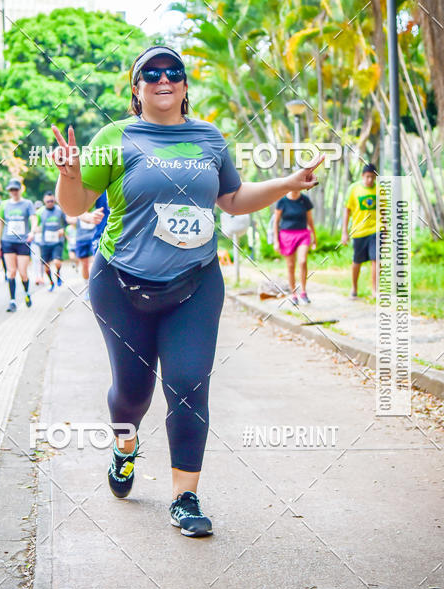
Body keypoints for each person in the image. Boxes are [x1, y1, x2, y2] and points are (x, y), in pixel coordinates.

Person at [52, 44, 323, 536]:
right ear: (135, 88)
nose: (163, 79)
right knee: (133, 393)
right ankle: (124, 448)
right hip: (120, 283)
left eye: (172, 71)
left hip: (196, 282)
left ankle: (185, 497)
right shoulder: (117, 136)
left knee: (188, 385)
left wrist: (286, 183)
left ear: (183, 84)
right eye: (150, 73)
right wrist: (68, 175)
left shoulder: (209, 138)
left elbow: (234, 200)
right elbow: (75, 206)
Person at [341, 162, 380, 299]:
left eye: (373, 177)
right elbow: (347, 211)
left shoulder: (380, 190)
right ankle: (354, 288)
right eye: (368, 177)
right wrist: (344, 232)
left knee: (376, 259)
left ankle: (375, 290)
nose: (370, 180)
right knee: (357, 261)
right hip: (359, 231)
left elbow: (384, 211)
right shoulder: (354, 189)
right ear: (363, 176)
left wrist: (385, 229)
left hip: (376, 229)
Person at [0, 178, 35, 312]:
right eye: (11, 190)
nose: (14, 192)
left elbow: (33, 218)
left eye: (16, 189)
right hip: (8, 241)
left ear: (20, 190)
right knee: (11, 272)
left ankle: (26, 293)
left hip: (23, 242)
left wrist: (32, 231)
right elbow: (0, 223)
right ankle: (12, 301)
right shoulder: (4, 205)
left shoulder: (27, 203)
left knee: (23, 272)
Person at [273, 189, 317, 305]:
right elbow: (276, 222)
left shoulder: (305, 200)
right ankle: (294, 294)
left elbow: (310, 220)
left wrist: (314, 236)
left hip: (303, 234)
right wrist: (276, 240)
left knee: (302, 261)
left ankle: (303, 291)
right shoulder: (282, 201)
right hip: (286, 235)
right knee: (291, 266)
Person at [36, 191, 67, 291]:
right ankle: (51, 282)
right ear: (44, 201)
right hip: (45, 243)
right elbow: (34, 224)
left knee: (57, 262)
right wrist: (35, 230)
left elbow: (65, 222)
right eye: (48, 201)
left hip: (57, 242)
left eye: (52, 200)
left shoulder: (59, 210)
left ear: (54, 200)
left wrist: (62, 229)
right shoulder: (40, 212)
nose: (50, 202)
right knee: (46, 267)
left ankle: (58, 274)